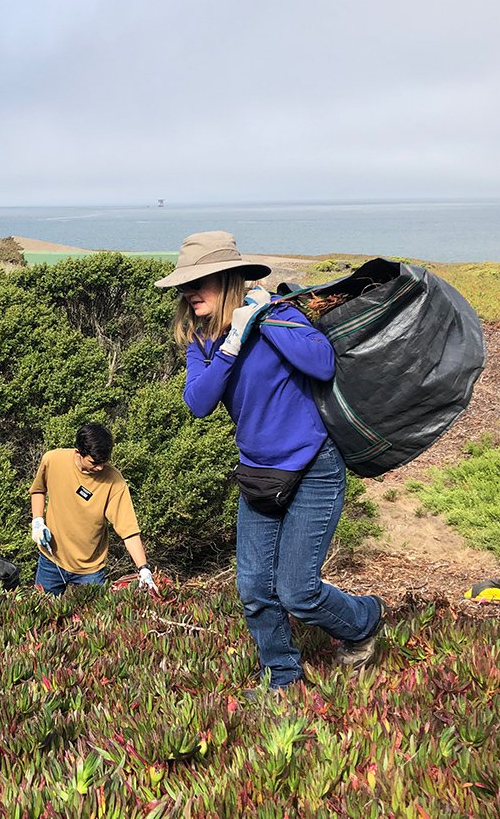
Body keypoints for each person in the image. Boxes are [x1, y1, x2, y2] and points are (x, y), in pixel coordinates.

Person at [155, 230, 384, 689]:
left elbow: (322, 363)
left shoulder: (279, 314)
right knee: (256, 590)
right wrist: (233, 342)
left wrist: (264, 319)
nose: (189, 292)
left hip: (313, 466)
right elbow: (198, 402)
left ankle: (364, 620)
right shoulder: (201, 342)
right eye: (186, 284)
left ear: (229, 279)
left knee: (298, 592)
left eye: (200, 281)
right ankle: (282, 676)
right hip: (259, 474)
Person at [29, 423, 159, 595]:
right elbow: (38, 490)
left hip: (90, 570)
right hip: (51, 560)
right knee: (41, 614)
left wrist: (143, 568)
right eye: (94, 462)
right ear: (79, 452)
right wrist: (38, 521)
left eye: (104, 462)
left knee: (93, 620)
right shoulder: (53, 460)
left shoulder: (114, 481)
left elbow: (129, 530)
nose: (100, 468)